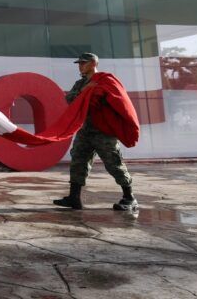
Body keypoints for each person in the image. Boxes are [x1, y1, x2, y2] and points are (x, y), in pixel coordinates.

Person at [53, 53, 138, 211]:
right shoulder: (80, 83)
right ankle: (74, 198)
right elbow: (69, 100)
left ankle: (129, 198)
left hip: (104, 132)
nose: (80, 66)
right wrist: (84, 91)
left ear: (93, 63)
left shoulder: (106, 80)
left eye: (83, 63)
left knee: (114, 164)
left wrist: (96, 94)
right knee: (78, 161)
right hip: (85, 130)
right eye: (79, 63)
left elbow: (118, 101)